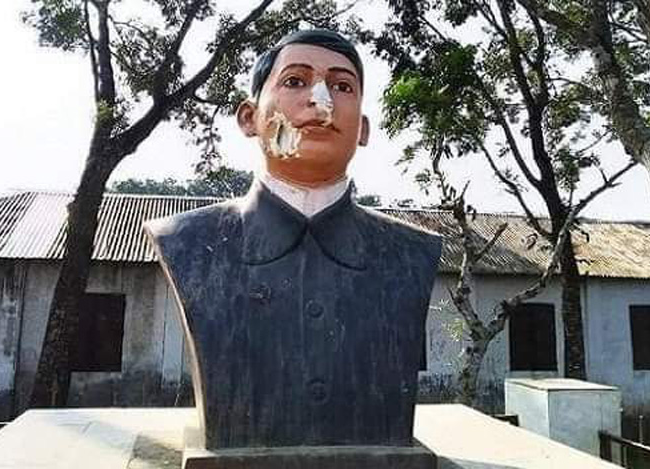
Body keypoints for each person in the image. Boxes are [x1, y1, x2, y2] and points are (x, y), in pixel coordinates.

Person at [145, 29, 442, 449]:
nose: (321, 101)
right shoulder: (187, 243)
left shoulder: (412, 253)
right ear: (249, 117)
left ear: (363, 129)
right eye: (295, 81)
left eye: (342, 87)